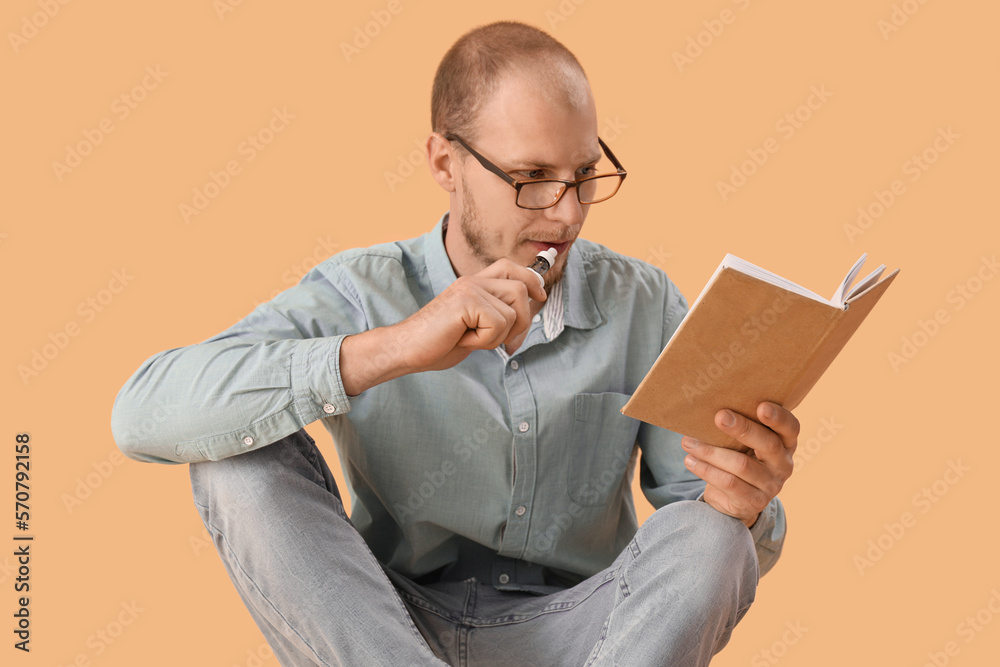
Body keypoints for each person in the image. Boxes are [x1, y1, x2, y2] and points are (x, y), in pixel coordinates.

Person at [111, 20, 797, 667]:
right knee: (232, 455)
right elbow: (142, 413)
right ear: (446, 163)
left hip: (589, 635)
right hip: (387, 631)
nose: (565, 212)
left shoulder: (643, 302)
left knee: (712, 536)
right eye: (532, 179)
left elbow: (707, 544)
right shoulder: (360, 290)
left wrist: (746, 504)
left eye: (584, 175)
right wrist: (396, 347)